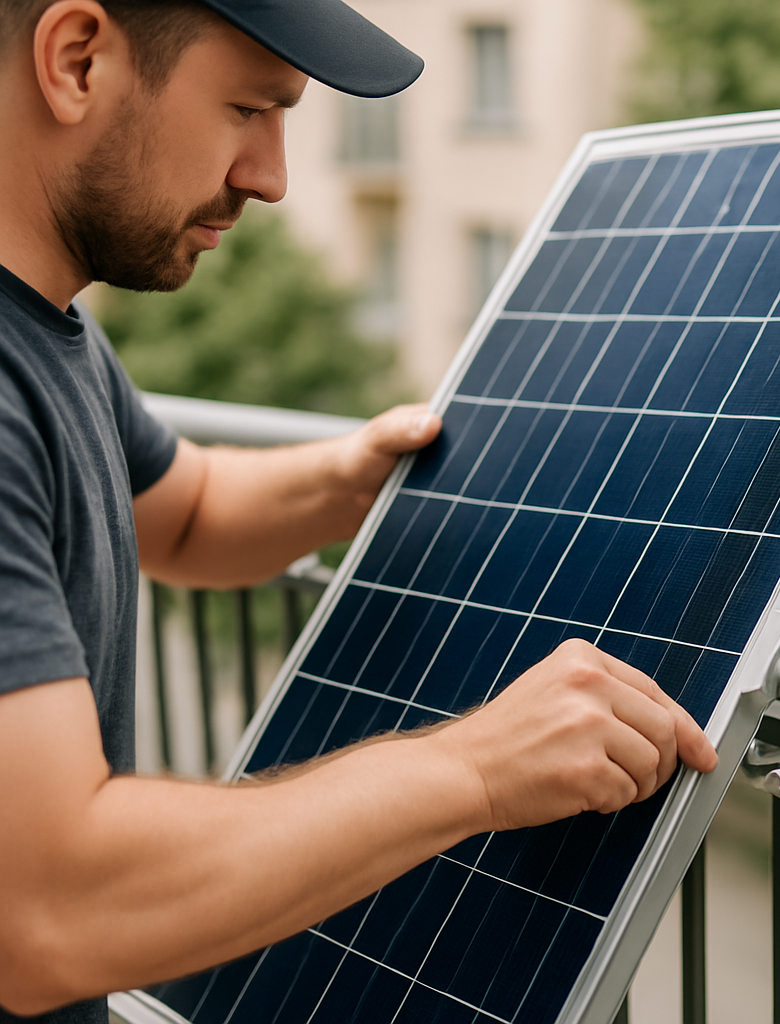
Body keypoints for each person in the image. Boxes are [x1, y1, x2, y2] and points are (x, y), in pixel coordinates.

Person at [0, 0, 719, 1020]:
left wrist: (352, 472)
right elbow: (44, 908)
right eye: (247, 107)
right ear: (77, 60)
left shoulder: (50, 330)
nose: (271, 177)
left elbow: (187, 512)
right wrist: (476, 767)